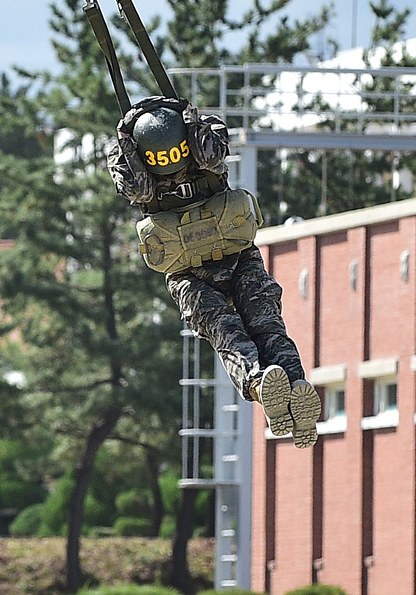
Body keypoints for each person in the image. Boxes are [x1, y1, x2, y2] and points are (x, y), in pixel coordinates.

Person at [107, 95, 321, 448]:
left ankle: (264, 382)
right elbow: (138, 183)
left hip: (196, 269)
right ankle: (284, 382)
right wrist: (131, 141)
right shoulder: (145, 158)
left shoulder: (198, 138)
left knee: (230, 331)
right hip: (220, 261)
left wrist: (189, 125)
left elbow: (204, 152)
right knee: (260, 323)